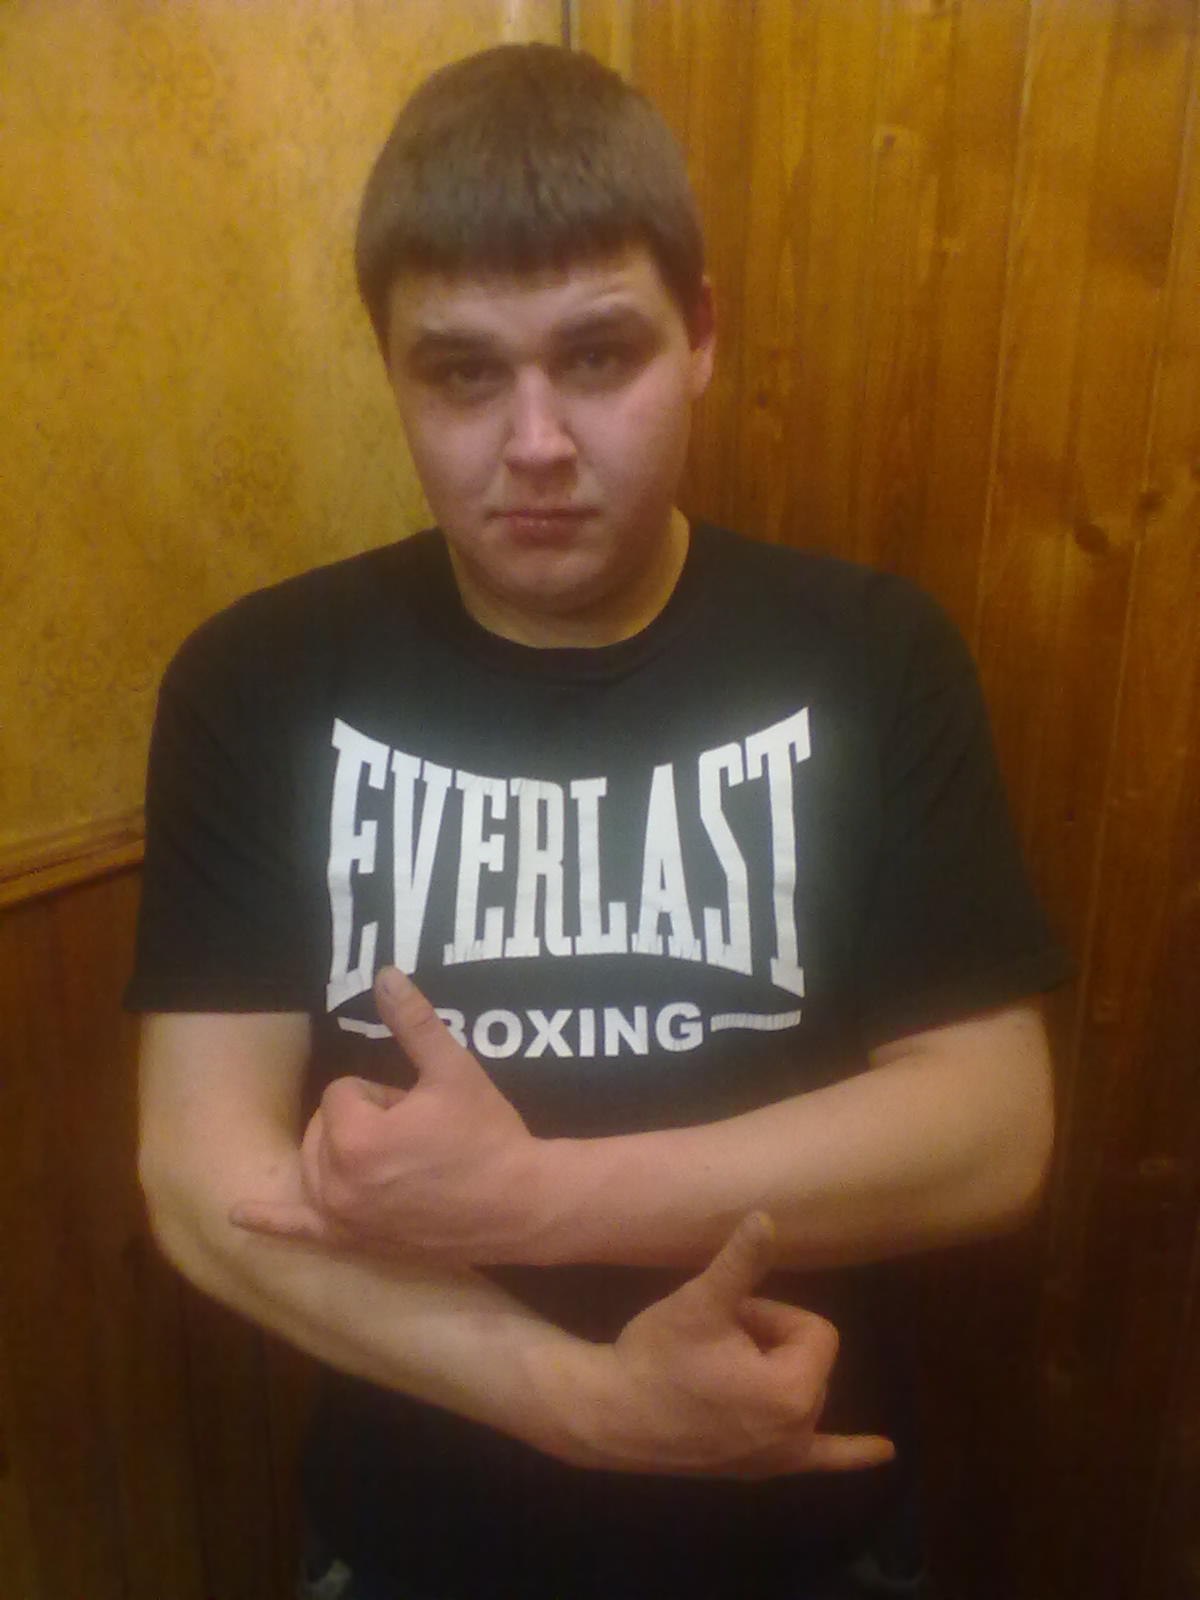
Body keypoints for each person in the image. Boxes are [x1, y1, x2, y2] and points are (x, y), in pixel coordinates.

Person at [129, 42, 1069, 1600]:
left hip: (801, 1536)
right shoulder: (260, 679)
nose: (538, 444)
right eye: (463, 373)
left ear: (701, 336)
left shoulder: (869, 652)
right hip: (414, 1542)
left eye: (598, 354)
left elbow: (990, 1129)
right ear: (391, 370)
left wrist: (536, 1199)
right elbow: (197, 1174)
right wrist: (583, 1404)